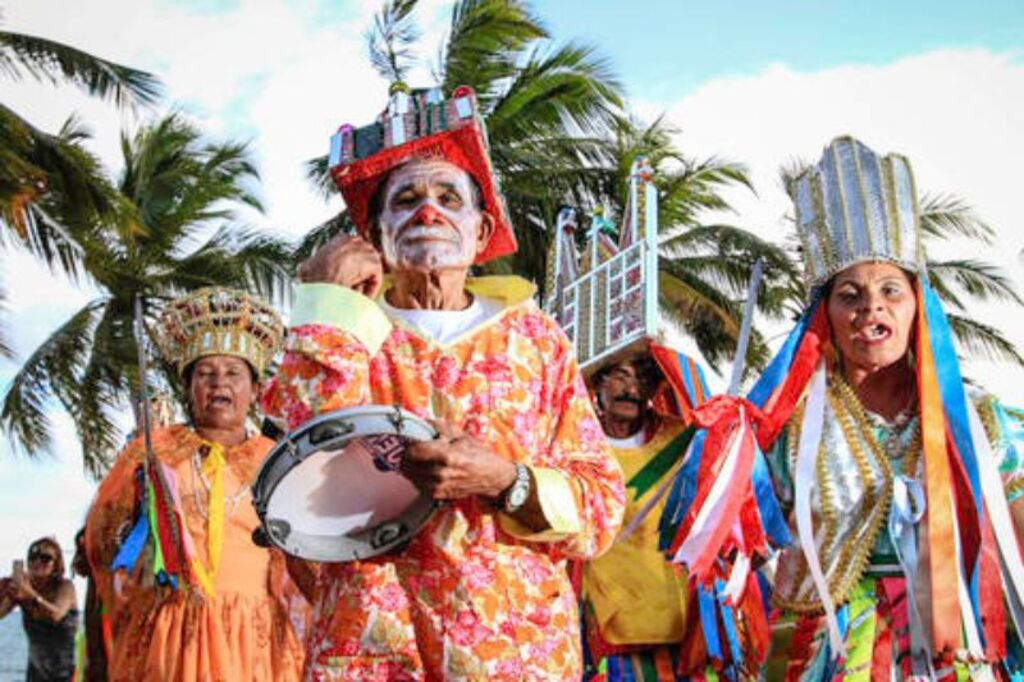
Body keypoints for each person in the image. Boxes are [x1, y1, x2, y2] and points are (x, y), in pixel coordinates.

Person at [263, 85, 625, 679]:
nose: (426, 210)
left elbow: (603, 510)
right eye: (404, 199)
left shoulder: (536, 340)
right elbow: (296, 474)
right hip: (373, 648)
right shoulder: (344, 328)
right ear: (373, 235)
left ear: (481, 234)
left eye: (446, 196)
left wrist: (506, 479)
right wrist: (324, 304)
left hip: (512, 651)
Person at [659, 136, 1024, 679]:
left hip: (956, 654)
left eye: (890, 291)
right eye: (849, 294)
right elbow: (734, 556)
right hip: (825, 653)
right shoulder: (784, 429)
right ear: (824, 315)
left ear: (917, 307)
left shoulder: (981, 423)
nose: (870, 306)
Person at [84, 287, 305, 682]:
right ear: (189, 389)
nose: (219, 383)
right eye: (205, 373)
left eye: (233, 373)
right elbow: (101, 541)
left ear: (254, 390)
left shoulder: (277, 459)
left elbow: (307, 548)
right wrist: (135, 543)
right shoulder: (153, 450)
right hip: (170, 630)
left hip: (254, 638)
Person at [579, 351, 704, 680]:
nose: (632, 390)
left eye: (643, 380)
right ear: (597, 381)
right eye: (621, 376)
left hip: (680, 624)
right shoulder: (576, 443)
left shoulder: (680, 440)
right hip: (608, 630)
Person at [0, 537, 78, 682]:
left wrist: (31, 594)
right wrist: (3, 591)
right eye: (33, 557)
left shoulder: (65, 587)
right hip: (36, 675)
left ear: (56, 564)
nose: (37, 562)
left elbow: (56, 614)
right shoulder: (23, 590)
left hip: (65, 674)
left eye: (45, 558)